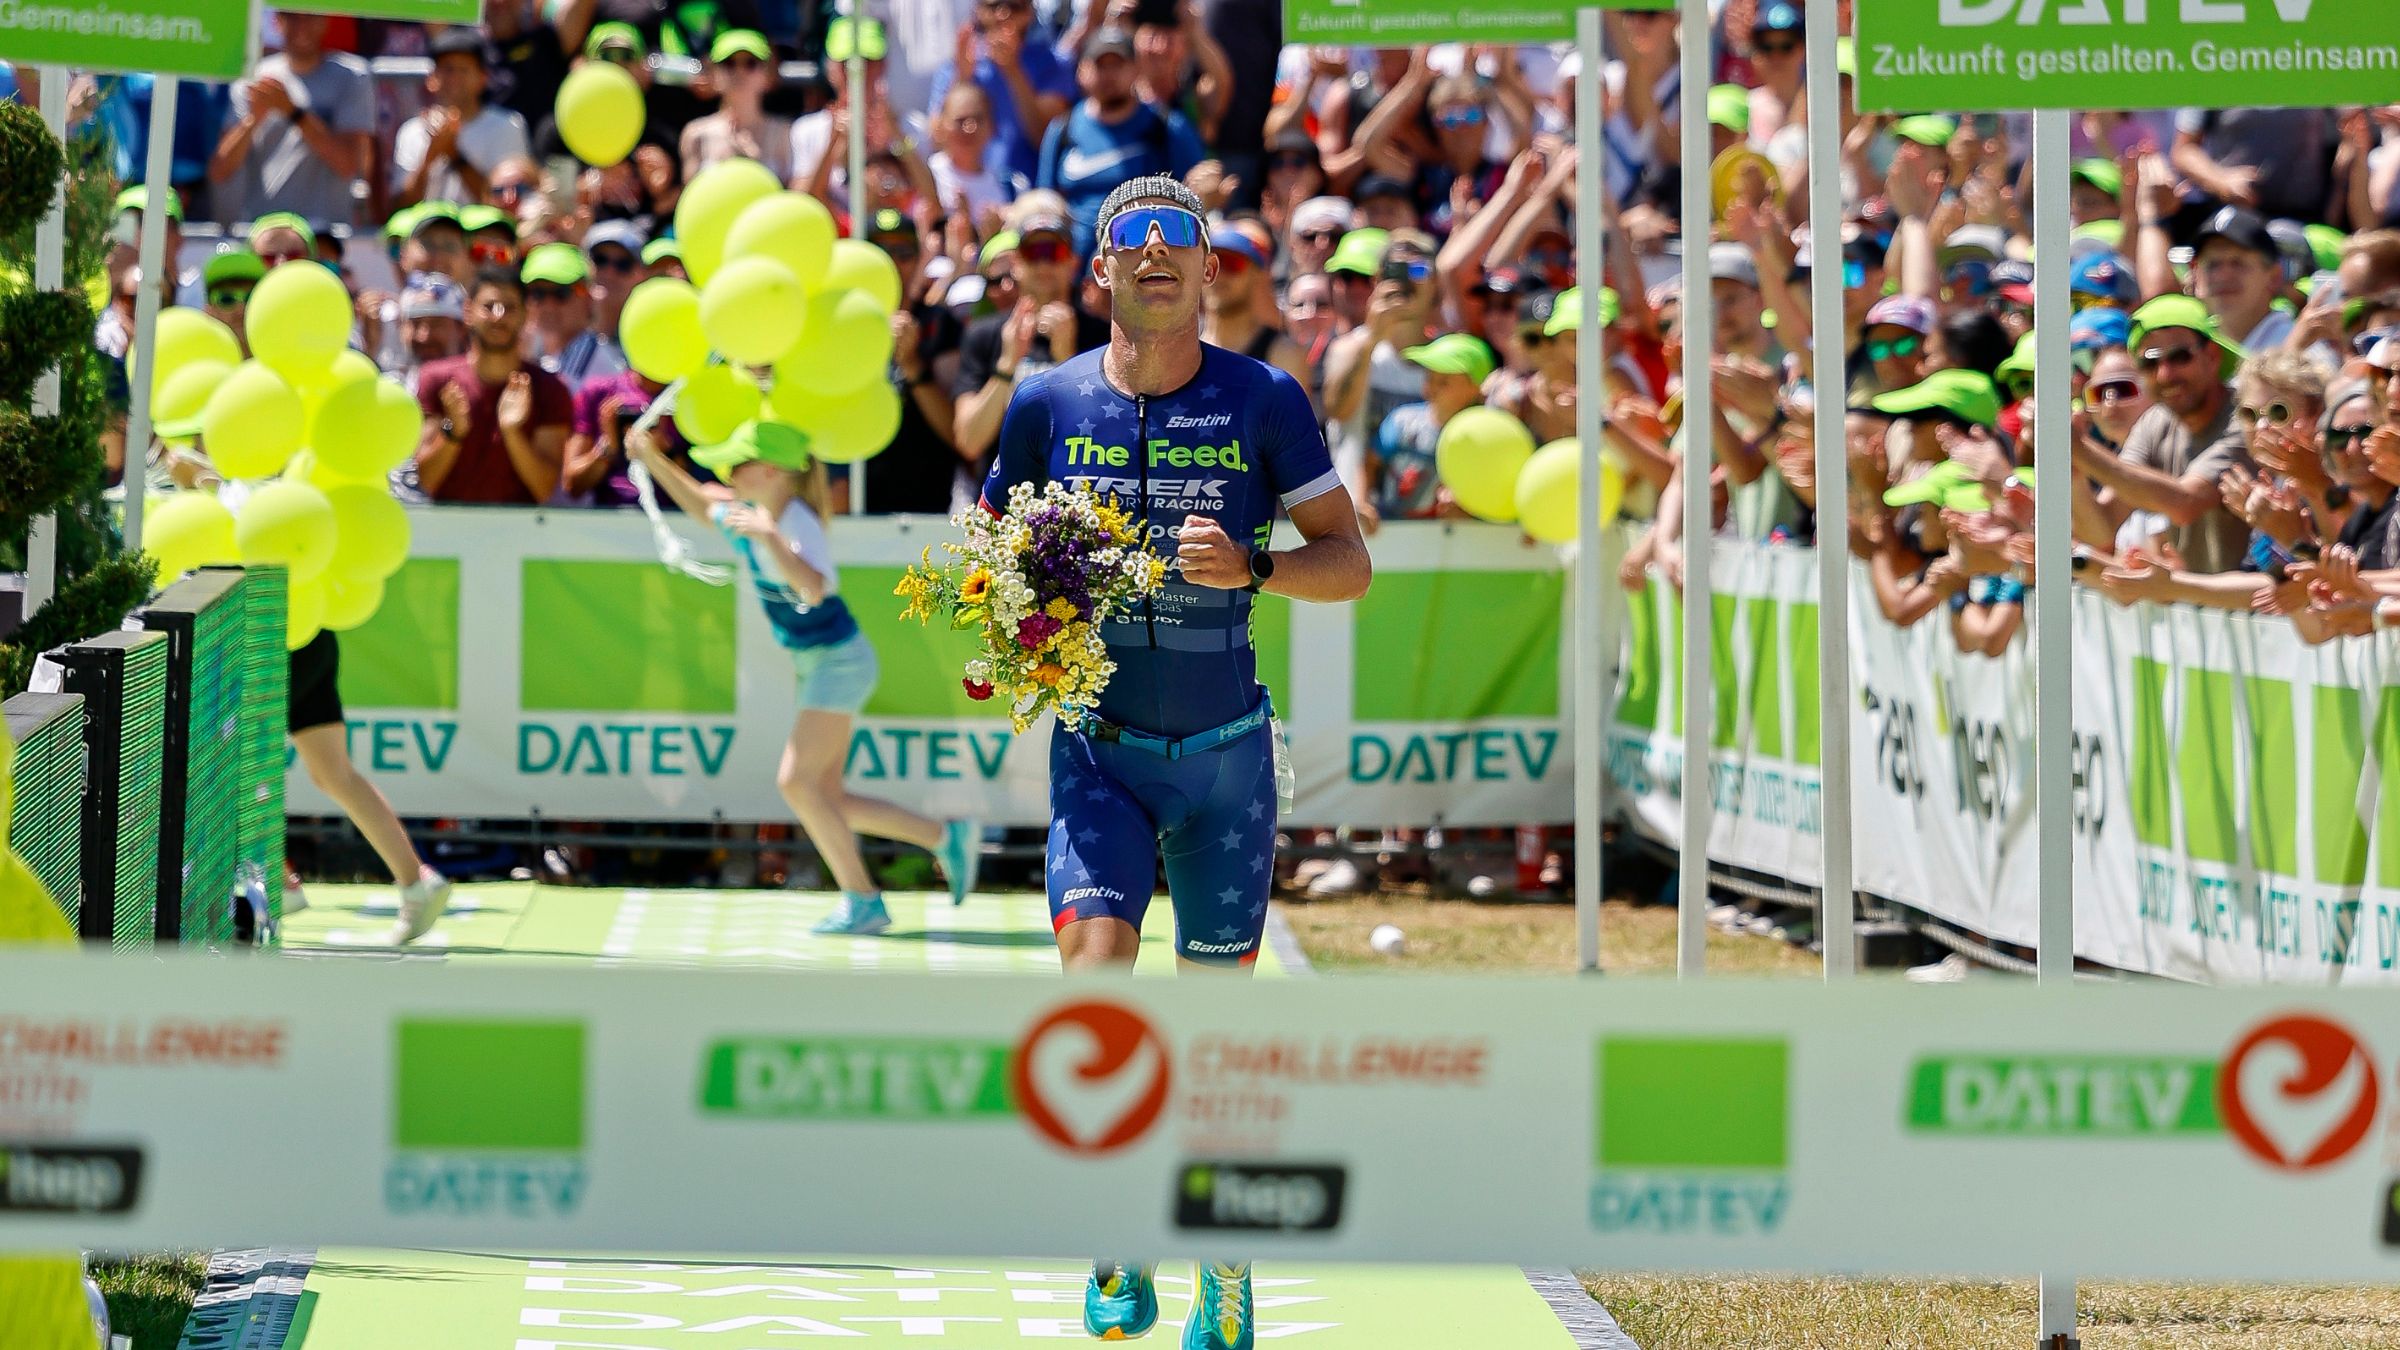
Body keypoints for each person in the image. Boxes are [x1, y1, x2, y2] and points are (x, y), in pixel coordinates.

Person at [979, 175, 1369, 1348]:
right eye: (1131, 240)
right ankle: (1115, 1236)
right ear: (1099, 273)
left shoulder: (1263, 398)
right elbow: (989, 553)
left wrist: (1252, 570)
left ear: (1211, 274)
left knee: (1212, 1037)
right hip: (1098, 756)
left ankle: (1225, 1268)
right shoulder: (1045, 402)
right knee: (1095, 993)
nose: (1156, 254)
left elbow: (1347, 561)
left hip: (1225, 766)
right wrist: (1011, 631)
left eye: (1179, 241)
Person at [628, 419, 981, 933]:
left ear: (769, 471)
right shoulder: (752, 512)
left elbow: (815, 588)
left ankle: (864, 901)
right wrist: (653, 459)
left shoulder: (793, 523)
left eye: (736, 463)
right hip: (824, 663)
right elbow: (704, 504)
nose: (726, 471)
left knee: (796, 783)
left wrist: (771, 540)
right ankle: (945, 837)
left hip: (839, 663)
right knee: (826, 796)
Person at [287, 629, 458, 944]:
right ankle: (416, 883)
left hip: (271, 640)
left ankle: (276, 883)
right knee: (334, 775)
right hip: (310, 637)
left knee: (228, 763)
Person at [2074, 295, 2253, 573]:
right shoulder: (2156, 421)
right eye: (2149, 363)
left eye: (2179, 357)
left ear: (2212, 356)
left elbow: (2186, 504)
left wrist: (2080, 449)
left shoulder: (2246, 418)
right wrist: (2073, 471)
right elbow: (2103, 529)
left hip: (2260, 609)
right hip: (2199, 608)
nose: (2165, 374)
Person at [954, 205, 1108, 460]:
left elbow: (1105, 436)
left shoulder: (1102, 335)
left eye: (1055, 251)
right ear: (1016, 263)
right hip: (1003, 495)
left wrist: (1067, 361)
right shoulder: (984, 334)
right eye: (1033, 252)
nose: (1044, 263)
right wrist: (1007, 365)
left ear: (1073, 263)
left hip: (1075, 493)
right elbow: (969, 441)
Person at [1037, 27, 1204, 260]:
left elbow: (1196, 192)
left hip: (1145, 254)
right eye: (1100, 65)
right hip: (1074, 262)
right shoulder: (1062, 130)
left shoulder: (1166, 126)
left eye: (1118, 65)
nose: (1109, 75)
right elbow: (1045, 202)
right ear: (1081, 71)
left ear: (1136, 69)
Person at [414, 265, 573, 504]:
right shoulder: (435, 379)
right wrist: (453, 432)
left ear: (526, 314)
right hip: (449, 533)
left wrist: (512, 432)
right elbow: (426, 480)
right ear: (468, 311)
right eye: (488, 306)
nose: (499, 315)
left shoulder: (550, 389)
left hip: (520, 534)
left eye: (510, 308)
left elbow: (544, 488)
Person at [209, 11, 375, 228]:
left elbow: (349, 164)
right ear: (277, 21)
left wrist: (292, 111)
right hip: (263, 234)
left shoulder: (353, 77)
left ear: (325, 21)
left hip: (324, 236)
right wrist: (253, 120)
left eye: (310, 17)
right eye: (293, 16)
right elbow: (220, 171)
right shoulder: (253, 77)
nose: (302, 26)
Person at [930, 0, 1075, 189]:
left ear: (1030, 12)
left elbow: (1047, 140)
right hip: (967, 192)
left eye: (1015, 6)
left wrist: (1013, 70)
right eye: (994, 6)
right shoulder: (957, 65)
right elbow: (937, 139)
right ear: (978, 11)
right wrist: (962, 78)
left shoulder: (1054, 64)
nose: (1003, 14)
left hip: (1029, 194)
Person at [393, 28, 532, 210]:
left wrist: (455, 155)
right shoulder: (412, 131)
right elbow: (400, 208)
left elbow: (509, 205)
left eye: (464, 70)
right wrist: (430, 157)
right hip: (426, 235)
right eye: (448, 69)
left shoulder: (507, 125)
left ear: (483, 78)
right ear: (431, 78)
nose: (455, 78)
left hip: (485, 235)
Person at [680, 29, 794, 182]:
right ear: (713, 73)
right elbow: (691, 200)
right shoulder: (695, 134)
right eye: (729, 63)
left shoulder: (785, 132)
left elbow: (792, 198)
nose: (739, 72)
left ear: (767, 74)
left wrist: (752, 160)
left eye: (751, 63)